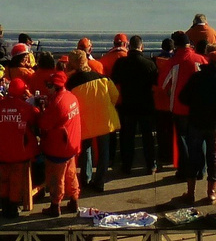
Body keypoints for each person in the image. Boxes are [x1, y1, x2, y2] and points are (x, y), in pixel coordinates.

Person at [177, 46, 216, 203]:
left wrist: (195, 106)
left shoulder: (197, 77)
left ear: (208, 61)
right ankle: (211, 192)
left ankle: (190, 192)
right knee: (214, 157)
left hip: (196, 121)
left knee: (194, 156)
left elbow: (183, 97)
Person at [67, 50, 119, 193]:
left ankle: (86, 178)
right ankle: (100, 181)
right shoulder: (103, 78)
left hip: (84, 121)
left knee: (86, 150)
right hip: (104, 118)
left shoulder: (70, 83)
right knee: (104, 151)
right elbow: (115, 95)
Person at [0, 76, 39, 217]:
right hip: (19, 152)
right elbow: (36, 118)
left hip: (0, 151)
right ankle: (13, 208)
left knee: (4, 179)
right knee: (16, 181)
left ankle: (5, 206)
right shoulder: (25, 107)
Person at [111, 34, 158, 174]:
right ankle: (151, 164)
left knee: (127, 137)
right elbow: (155, 83)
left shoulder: (120, 63)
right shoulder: (150, 64)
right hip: (145, 104)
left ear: (129, 46)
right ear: (142, 47)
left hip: (127, 104)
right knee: (148, 137)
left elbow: (114, 81)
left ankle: (126, 165)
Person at [38, 70, 83, 215]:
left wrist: (40, 110)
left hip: (57, 147)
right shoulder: (71, 97)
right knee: (71, 174)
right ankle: (74, 200)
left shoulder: (57, 104)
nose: (46, 88)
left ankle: (55, 205)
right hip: (71, 145)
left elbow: (44, 124)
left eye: (49, 85)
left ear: (56, 86)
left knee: (56, 178)